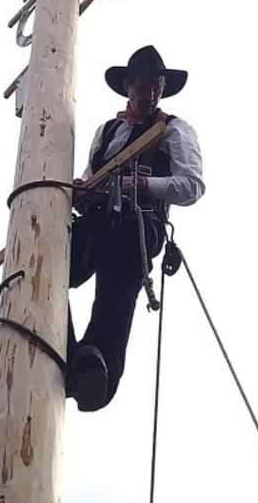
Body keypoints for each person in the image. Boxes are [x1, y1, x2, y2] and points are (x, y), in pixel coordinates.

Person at [68, 44, 204, 412]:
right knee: (50, 254)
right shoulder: (107, 130)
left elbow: (191, 185)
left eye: (157, 85)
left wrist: (142, 185)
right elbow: (88, 177)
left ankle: (99, 364)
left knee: (119, 274)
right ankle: (66, 355)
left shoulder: (173, 129)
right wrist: (80, 192)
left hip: (139, 222)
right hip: (98, 218)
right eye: (143, 85)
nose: (150, 93)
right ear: (129, 86)